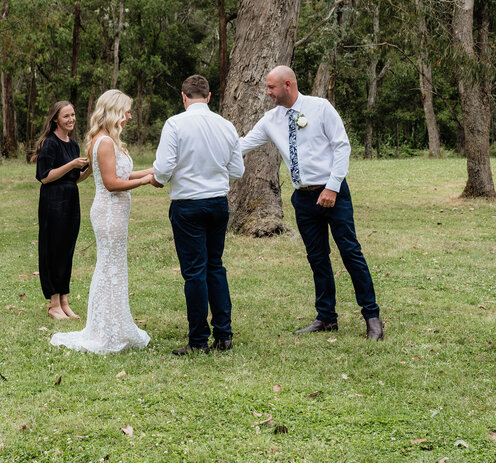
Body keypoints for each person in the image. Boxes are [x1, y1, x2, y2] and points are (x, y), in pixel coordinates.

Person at [239, 65, 384, 340]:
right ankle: (326, 317)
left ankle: (372, 317)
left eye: (271, 87)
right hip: (303, 199)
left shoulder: (321, 108)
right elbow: (242, 145)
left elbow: (342, 146)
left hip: (333, 193)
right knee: (317, 258)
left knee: (350, 253)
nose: (267, 92)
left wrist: (332, 187)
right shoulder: (271, 120)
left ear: (288, 85)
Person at [50, 90, 154, 354]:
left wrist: (150, 170)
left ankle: (113, 324)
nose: (129, 116)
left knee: (113, 267)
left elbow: (122, 172)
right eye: (126, 111)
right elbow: (111, 183)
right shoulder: (105, 141)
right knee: (109, 267)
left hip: (115, 212)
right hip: (109, 212)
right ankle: (104, 329)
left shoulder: (107, 139)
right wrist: (145, 181)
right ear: (114, 112)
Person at [151, 75, 244, 355]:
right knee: (214, 265)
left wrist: (163, 176)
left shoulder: (175, 124)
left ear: (183, 96)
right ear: (208, 96)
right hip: (217, 202)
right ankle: (224, 334)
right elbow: (237, 171)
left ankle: (198, 340)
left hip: (188, 204)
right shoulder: (226, 126)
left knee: (194, 272)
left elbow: (164, 168)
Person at [31, 100, 91, 320]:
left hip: (70, 201)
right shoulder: (50, 143)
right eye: (66, 116)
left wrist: (89, 168)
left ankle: (64, 301)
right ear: (55, 119)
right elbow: (45, 177)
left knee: (67, 250)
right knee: (53, 250)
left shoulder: (73, 145)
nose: (71, 119)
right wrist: (71, 165)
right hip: (52, 202)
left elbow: (75, 179)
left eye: (73, 115)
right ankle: (53, 303)